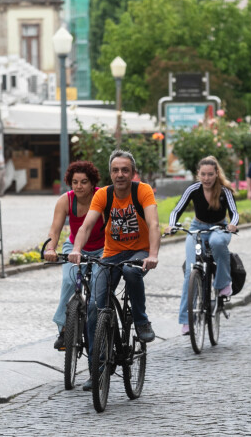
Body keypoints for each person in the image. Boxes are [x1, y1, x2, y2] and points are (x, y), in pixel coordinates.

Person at [69, 150, 160, 391]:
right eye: (116, 170)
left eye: (125, 170)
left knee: (132, 273)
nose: (120, 174)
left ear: (132, 172)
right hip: (111, 254)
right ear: (110, 173)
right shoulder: (102, 194)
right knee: (93, 308)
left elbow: (153, 224)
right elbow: (86, 226)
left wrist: (152, 255)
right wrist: (77, 249)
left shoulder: (142, 191)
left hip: (139, 252)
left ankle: (141, 321)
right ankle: (96, 369)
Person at [166, 156, 240, 335]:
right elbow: (177, 209)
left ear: (216, 174)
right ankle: (186, 321)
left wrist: (232, 225)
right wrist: (172, 224)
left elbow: (235, 213)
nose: (206, 178)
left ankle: (223, 283)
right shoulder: (193, 189)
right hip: (197, 228)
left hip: (219, 228)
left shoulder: (224, 191)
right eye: (203, 174)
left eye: (210, 174)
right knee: (190, 271)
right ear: (198, 174)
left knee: (217, 242)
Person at [43, 161, 105, 350]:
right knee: (70, 280)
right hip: (75, 246)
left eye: (84, 182)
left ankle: (101, 327)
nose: (78, 186)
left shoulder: (101, 197)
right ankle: (64, 330)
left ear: (92, 183)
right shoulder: (65, 200)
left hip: (102, 247)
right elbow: (55, 229)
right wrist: (50, 249)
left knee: (97, 287)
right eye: (75, 182)